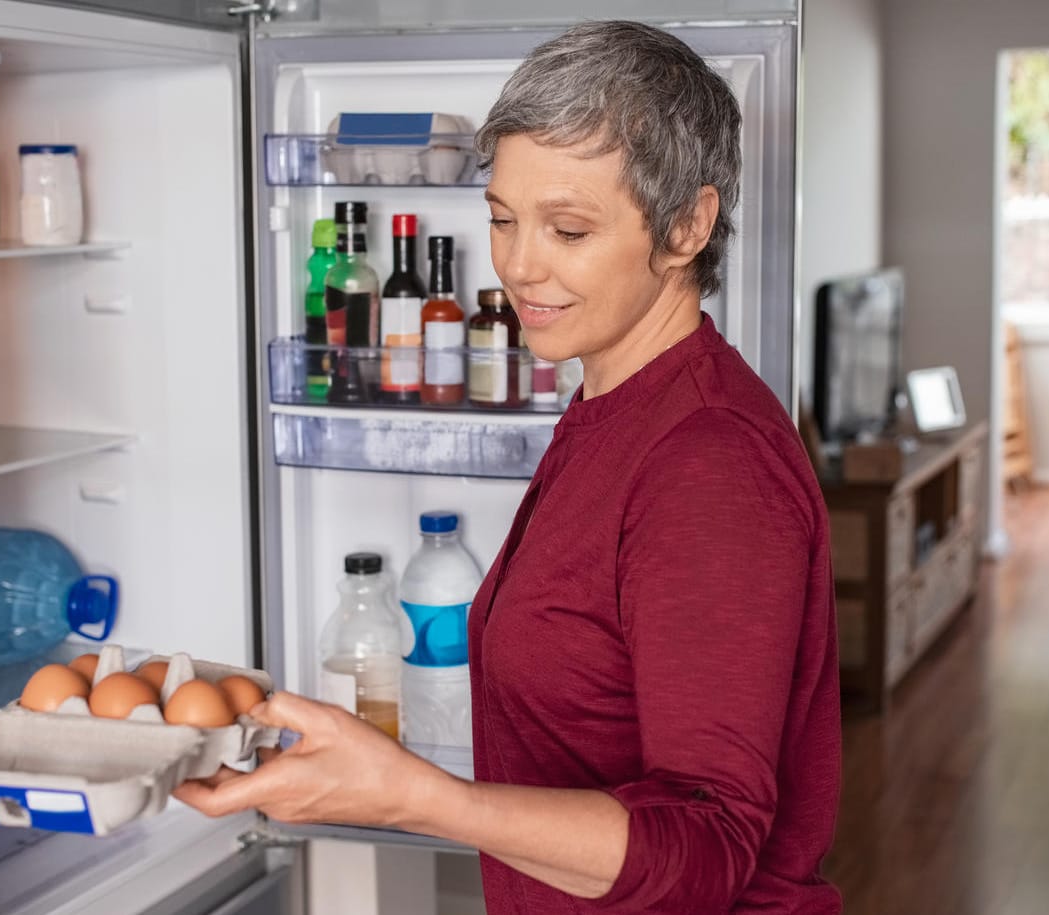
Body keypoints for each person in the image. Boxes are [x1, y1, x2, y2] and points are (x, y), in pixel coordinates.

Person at [176, 20, 842, 913]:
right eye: (500, 216)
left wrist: (414, 795)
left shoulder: (708, 466)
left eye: (567, 229)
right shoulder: (611, 402)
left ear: (687, 226)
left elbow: (708, 842)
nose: (518, 265)